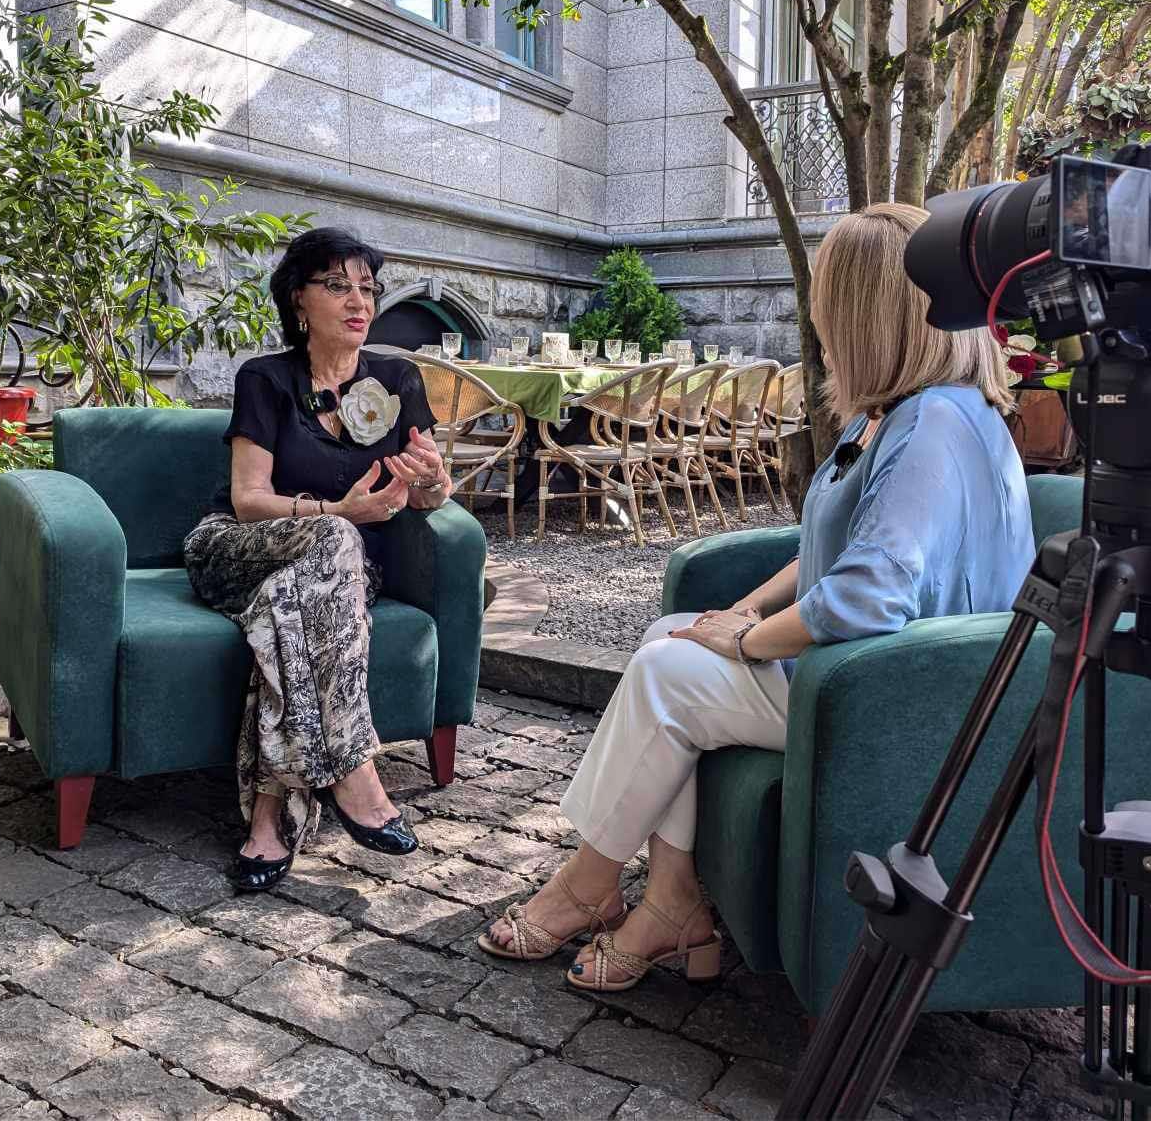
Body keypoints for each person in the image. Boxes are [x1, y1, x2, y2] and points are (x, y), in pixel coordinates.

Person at [478, 203, 1035, 990]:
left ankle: (588, 886)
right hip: (868, 667)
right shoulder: (894, 415)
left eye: (828, 302)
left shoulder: (933, 426)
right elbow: (827, 550)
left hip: (901, 691)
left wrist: (743, 642)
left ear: (868, 314)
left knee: (668, 674)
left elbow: (869, 595)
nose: (818, 321)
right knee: (672, 637)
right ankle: (673, 903)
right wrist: (740, 611)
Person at [184, 227, 454, 893]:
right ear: (298, 300)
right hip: (240, 548)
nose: (358, 302)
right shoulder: (265, 378)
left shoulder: (398, 379)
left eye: (367, 288)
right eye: (337, 285)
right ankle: (353, 768)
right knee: (333, 540)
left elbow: (428, 497)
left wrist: (433, 477)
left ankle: (269, 820)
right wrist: (340, 513)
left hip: (338, 571)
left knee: (291, 607)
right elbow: (248, 501)